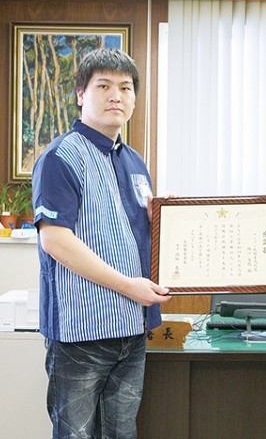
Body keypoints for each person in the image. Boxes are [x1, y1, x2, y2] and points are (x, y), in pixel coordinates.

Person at [32, 48, 171, 438]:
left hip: (132, 327)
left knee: (121, 431)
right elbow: (56, 241)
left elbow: (137, 231)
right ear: (81, 94)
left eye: (125, 88)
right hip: (82, 330)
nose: (116, 96)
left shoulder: (134, 161)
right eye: (104, 86)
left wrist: (166, 220)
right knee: (75, 433)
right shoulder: (61, 157)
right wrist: (129, 286)